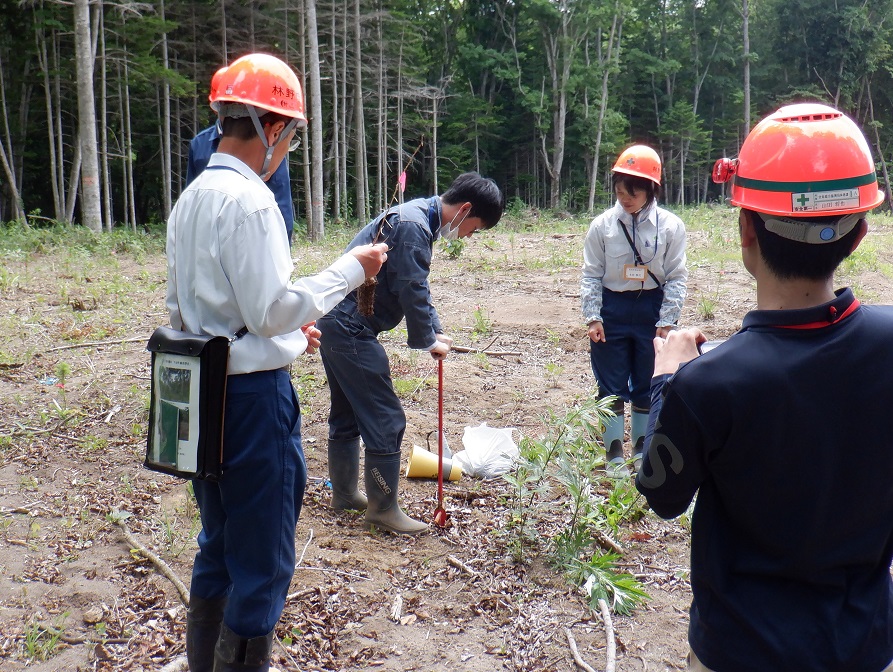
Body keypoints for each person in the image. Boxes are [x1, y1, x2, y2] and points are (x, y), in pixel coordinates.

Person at [636, 102, 892, 671]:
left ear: (746, 227)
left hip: (742, 650)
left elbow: (660, 494)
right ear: (860, 233)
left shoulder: (709, 383)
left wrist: (664, 381)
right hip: (864, 644)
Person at [167, 53, 387, 672]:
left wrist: (287, 338)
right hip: (252, 402)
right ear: (269, 128)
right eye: (289, 135)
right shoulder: (254, 202)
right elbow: (270, 310)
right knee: (263, 552)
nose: (287, 149)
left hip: (203, 390)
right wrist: (353, 270)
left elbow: (196, 308)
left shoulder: (191, 199)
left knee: (218, 539)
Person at [317, 173, 505, 535]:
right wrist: (426, 339)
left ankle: (344, 495)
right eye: (474, 229)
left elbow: (417, 283)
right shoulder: (414, 226)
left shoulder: (417, 217)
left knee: (348, 411)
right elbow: (411, 287)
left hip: (334, 320)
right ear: (465, 210)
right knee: (386, 419)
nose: (468, 237)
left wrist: (435, 329)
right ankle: (383, 509)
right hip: (347, 326)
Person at [581, 145, 687, 478]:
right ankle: (613, 453)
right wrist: (593, 316)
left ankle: (642, 449)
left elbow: (676, 275)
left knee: (646, 381)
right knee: (610, 384)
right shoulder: (602, 226)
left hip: (651, 308)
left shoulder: (670, 227)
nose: (625, 197)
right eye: (620, 190)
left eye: (634, 190)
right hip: (612, 307)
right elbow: (591, 273)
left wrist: (667, 321)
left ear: (651, 189)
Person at [186, 66, 296, 243]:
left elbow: (281, 199)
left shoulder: (268, 151)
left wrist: (282, 242)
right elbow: (193, 200)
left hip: (256, 234)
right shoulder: (200, 144)